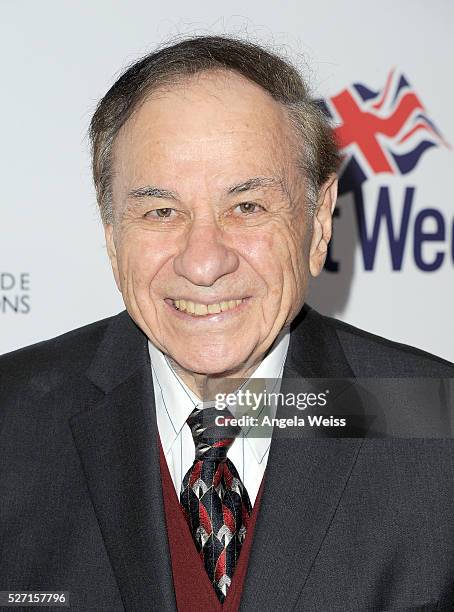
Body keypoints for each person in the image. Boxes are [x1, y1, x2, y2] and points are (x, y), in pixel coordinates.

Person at [1, 35, 453, 612]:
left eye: (247, 207)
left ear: (317, 224)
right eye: (161, 212)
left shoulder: (438, 429)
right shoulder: (10, 426)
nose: (204, 261)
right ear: (113, 237)